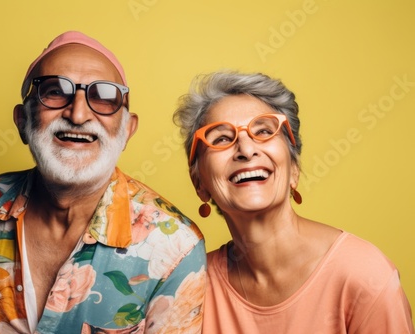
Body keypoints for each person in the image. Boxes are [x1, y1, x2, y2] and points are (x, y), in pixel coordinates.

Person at [0, 31, 206, 334]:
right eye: (55, 91)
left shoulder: (176, 245)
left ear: (127, 130)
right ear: (22, 122)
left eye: (104, 96)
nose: (78, 113)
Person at [173, 70, 414, 333]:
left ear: (294, 169)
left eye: (264, 131)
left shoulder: (363, 275)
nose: (246, 149)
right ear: (200, 184)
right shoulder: (190, 288)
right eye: (221, 138)